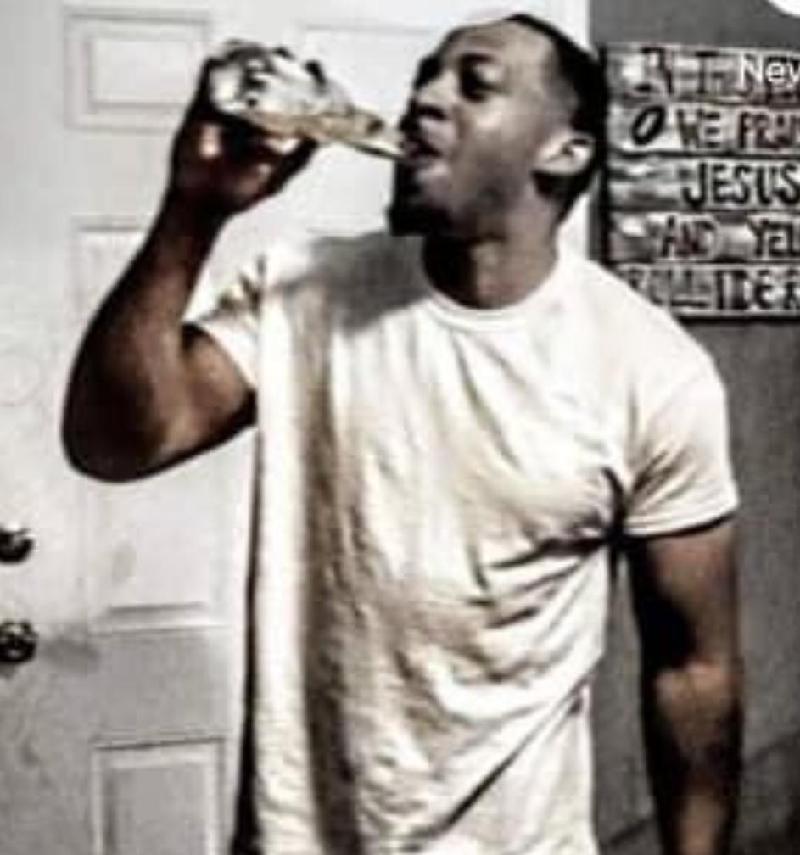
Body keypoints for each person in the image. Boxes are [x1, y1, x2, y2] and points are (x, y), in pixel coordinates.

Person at [62, 13, 742, 855]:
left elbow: (693, 668)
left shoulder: (652, 371)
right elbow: (115, 441)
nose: (424, 98)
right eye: (426, 75)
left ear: (565, 151)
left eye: (475, 84)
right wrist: (192, 209)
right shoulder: (305, 290)